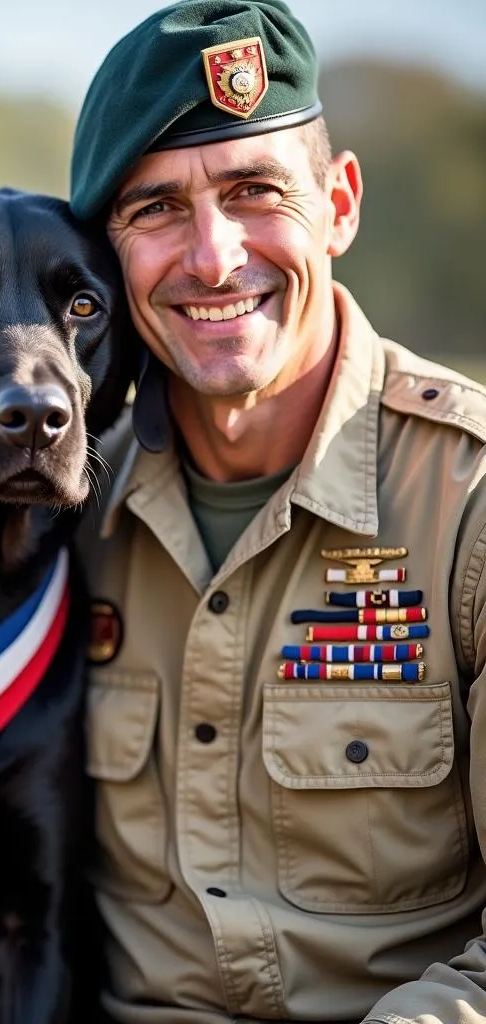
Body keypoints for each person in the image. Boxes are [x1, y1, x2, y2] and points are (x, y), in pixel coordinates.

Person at [70, 1, 486, 1021]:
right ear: (106, 254)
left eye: (255, 192)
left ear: (338, 203)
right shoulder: (65, 507)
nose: (212, 258)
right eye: (155, 210)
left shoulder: (467, 501)